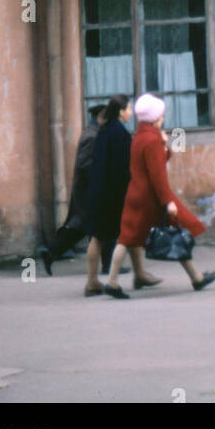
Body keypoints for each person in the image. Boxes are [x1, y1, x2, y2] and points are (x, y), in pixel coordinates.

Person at [105, 93, 215, 298]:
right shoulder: (152, 140)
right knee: (177, 233)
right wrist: (168, 202)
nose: (163, 118)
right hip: (152, 198)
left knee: (125, 239)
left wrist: (164, 145)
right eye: (161, 115)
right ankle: (196, 278)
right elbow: (157, 175)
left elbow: (148, 165)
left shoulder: (139, 136)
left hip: (135, 194)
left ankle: (112, 282)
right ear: (155, 117)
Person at [39, 103, 105, 275]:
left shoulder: (93, 133)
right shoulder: (92, 136)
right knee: (101, 226)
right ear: (101, 117)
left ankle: (51, 252)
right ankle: (107, 266)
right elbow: (85, 165)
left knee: (81, 228)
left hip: (87, 190)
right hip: (88, 191)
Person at [83, 94, 134, 297]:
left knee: (97, 237)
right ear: (121, 111)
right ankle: (109, 281)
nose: (131, 113)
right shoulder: (120, 133)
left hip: (98, 190)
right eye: (129, 109)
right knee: (123, 235)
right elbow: (122, 167)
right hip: (112, 193)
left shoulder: (103, 130)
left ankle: (92, 281)